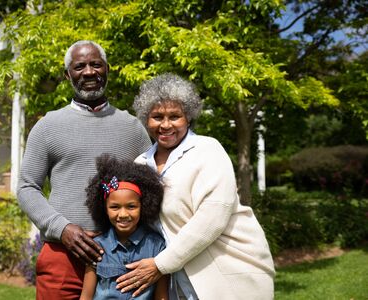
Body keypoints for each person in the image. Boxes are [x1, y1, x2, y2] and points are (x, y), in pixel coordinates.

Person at [115, 73, 275, 300]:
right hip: (177, 280)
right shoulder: (140, 164)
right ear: (146, 120)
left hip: (230, 272)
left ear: (188, 118)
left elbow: (212, 217)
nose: (166, 125)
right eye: (157, 117)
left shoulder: (208, 150)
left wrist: (160, 264)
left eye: (175, 116)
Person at [17, 40, 152, 299]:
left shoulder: (133, 128)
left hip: (120, 258)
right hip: (61, 257)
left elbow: (151, 187)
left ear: (107, 70)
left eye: (95, 64)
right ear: (68, 74)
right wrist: (62, 228)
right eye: (79, 66)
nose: (89, 72)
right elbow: (26, 187)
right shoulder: (48, 126)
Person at [80, 154, 168, 300]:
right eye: (115, 207)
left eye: (131, 206)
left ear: (144, 206)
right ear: (104, 208)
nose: (123, 214)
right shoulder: (97, 247)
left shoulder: (157, 246)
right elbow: (86, 296)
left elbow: (162, 296)